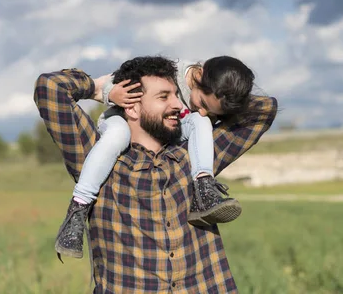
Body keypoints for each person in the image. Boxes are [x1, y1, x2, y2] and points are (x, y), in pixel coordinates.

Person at [34, 55, 277, 293]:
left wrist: (211, 82)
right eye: (163, 97)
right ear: (131, 106)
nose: (177, 105)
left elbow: (263, 109)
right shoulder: (94, 157)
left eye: (176, 94)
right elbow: (50, 87)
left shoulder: (196, 155)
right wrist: (97, 88)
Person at [60, 56, 256, 259]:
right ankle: (78, 208)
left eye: (213, 111)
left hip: (169, 127)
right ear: (198, 75)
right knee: (118, 136)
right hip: (120, 119)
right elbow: (121, 79)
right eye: (203, 103)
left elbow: (254, 105)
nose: (205, 111)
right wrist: (110, 92)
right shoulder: (171, 71)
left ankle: (204, 188)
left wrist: (236, 89)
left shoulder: (212, 96)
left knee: (200, 121)